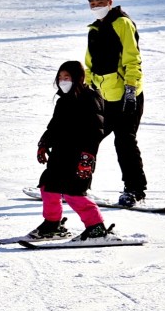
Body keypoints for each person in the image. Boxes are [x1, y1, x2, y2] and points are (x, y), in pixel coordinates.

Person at [30, 60, 114, 242]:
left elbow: (96, 131)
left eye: (66, 77)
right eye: (60, 77)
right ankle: (52, 224)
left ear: (78, 78)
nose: (62, 81)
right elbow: (54, 126)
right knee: (48, 186)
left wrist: (87, 157)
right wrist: (43, 144)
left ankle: (96, 228)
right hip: (60, 153)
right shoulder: (62, 101)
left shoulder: (91, 98)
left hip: (79, 156)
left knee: (74, 192)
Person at [84, 0, 146, 206]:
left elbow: (132, 58)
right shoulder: (94, 29)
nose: (96, 7)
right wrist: (88, 89)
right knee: (88, 138)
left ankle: (135, 190)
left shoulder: (122, 24)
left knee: (124, 141)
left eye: (100, 3)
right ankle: (79, 185)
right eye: (92, 4)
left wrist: (130, 89)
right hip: (103, 96)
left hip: (126, 97)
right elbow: (89, 64)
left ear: (110, 2)